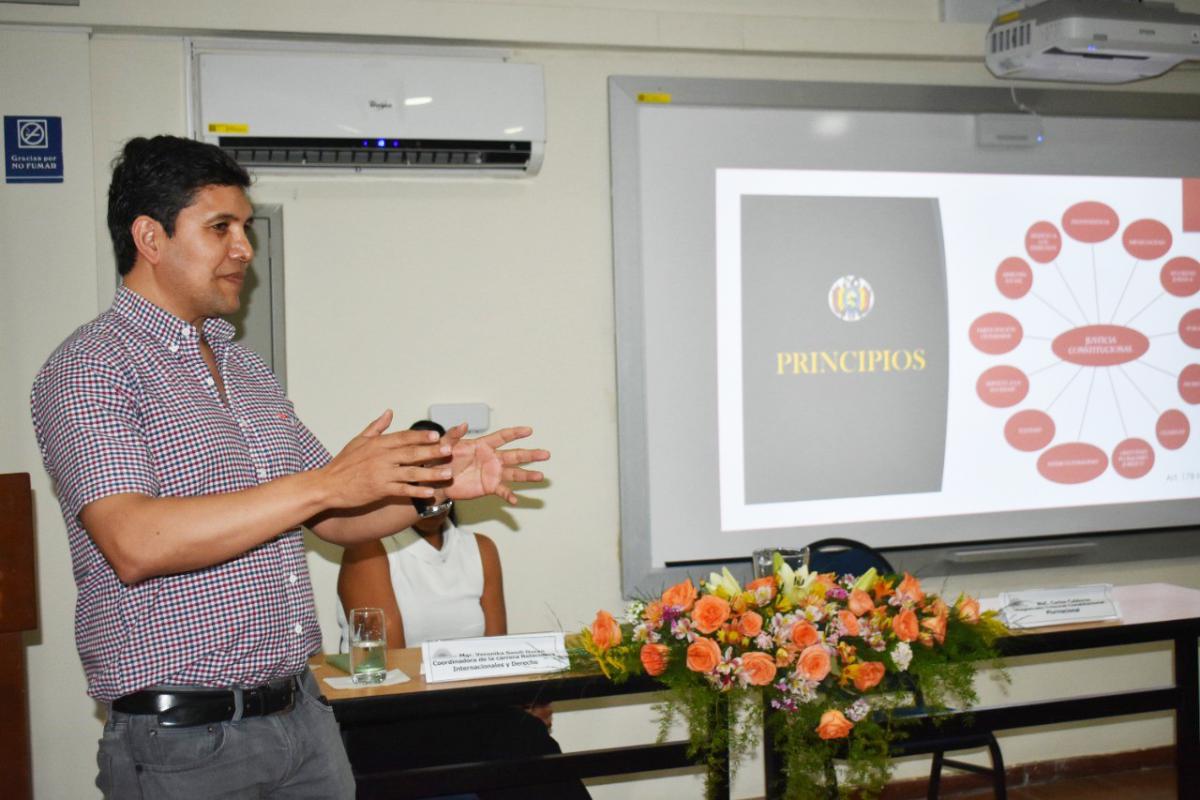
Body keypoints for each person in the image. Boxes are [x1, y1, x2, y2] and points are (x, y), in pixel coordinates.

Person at [29, 135, 549, 800]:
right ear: (150, 237)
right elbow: (134, 542)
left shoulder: (245, 368)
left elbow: (334, 518)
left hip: (302, 719)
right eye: (220, 227)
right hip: (184, 743)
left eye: (245, 228)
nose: (244, 248)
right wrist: (324, 484)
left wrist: (436, 488)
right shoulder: (91, 367)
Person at [335, 419, 588, 800]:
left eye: (442, 477)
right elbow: (391, 669)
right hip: (390, 719)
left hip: (469, 710)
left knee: (528, 738)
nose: (434, 491)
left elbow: (494, 653)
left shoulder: (479, 548)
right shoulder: (369, 548)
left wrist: (520, 699)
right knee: (519, 742)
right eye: (422, 477)